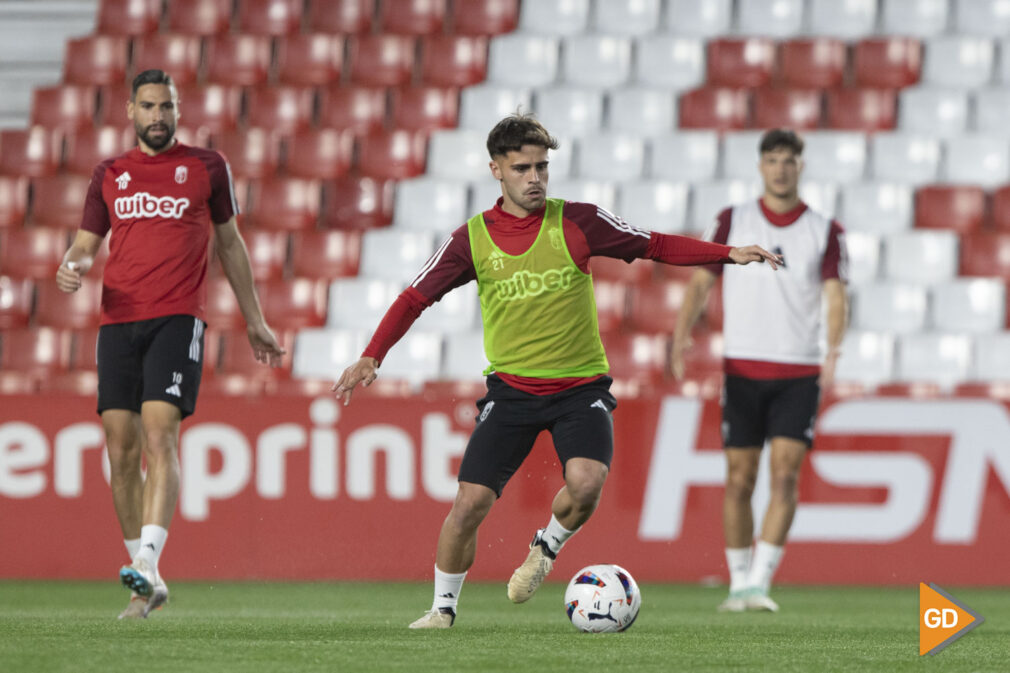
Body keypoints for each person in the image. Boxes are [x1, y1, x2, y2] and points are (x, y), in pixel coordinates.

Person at [333, 112, 782, 629]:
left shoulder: (578, 222)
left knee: (587, 483)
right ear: (496, 170)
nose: (535, 178)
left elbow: (654, 243)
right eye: (522, 167)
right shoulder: (472, 239)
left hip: (580, 389)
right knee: (469, 504)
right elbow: (415, 296)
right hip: (512, 391)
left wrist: (728, 253)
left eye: (542, 167)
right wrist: (373, 353)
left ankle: (546, 546)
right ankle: (442, 610)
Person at [55, 69, 285, 619]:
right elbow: (88, 244)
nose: (159, 116)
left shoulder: (207, 167)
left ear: (178, 111)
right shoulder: (110, 173)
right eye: (149, 106)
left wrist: (255, 319)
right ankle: (144, 577)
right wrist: (73, 265)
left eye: (168, 106)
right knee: (120, 448)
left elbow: (230, 243)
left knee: (160, 433)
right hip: (118, 321)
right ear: (130, 110)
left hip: (177, 318)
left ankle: (152, 562)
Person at [671, 128, 849, 613]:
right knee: (739, 476)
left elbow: (836, 295)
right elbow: (702, 280)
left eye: (788, 160)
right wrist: (680, 334)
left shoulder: (825, 230)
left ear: (800, 166)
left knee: (785, 474)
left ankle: (759, 581)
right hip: (743, 368)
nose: (780, 168)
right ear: (761, 166)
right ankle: (737, 583)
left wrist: (833, 348)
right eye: (772, 159)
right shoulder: (732, 220)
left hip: (798, 369)